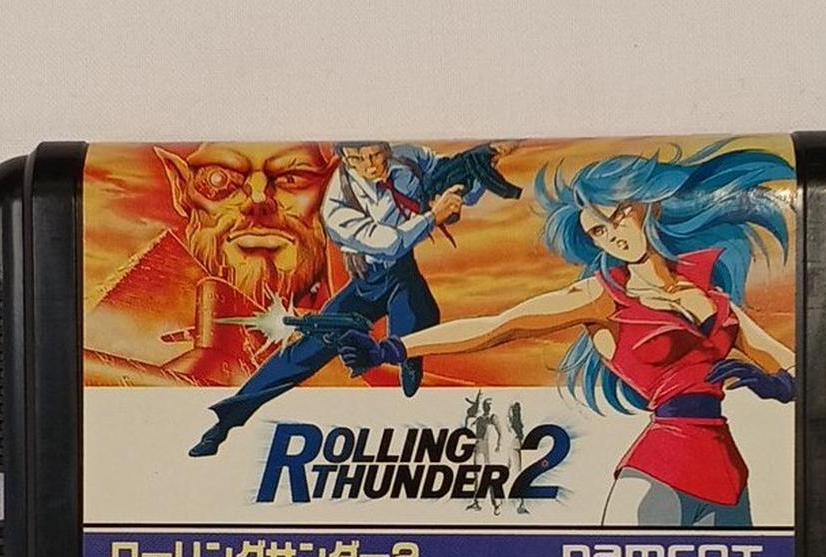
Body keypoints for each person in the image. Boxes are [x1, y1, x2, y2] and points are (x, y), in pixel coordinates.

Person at [337, 140, 796, 527]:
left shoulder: (711, 291)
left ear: (645, 205)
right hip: (660, 472)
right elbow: (500, 326)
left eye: (617, 216)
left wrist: (779, 384)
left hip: (730, 475)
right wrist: (390, 348)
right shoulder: (602, 296)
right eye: (597, 231)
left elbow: (792, 362)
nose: (611, 236)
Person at [188, 140, 507, 457]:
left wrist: (479, 170)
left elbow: (448, 177)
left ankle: (410, 362)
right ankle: (225, 422)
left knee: (419, 319)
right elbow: (388, 243)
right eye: (359, 160)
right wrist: (433, 216)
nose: (372, 165)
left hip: (402, 274)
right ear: (345, 158)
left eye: (377, 154)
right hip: (367, 280)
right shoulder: (337, 205)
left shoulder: (410, 158)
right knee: (306, 351)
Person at [466, 397, 503, 513]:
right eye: (487, 404)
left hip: (489, 446)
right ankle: (478, 502)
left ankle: (497, 503)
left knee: (491, 474)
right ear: (484, 406)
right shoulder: (480, 418)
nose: (489, 406)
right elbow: (470, 427)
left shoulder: (493, 417)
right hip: (479, 445)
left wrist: (498, 445)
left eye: (490, 404)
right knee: (477, 473)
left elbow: (501, 432)